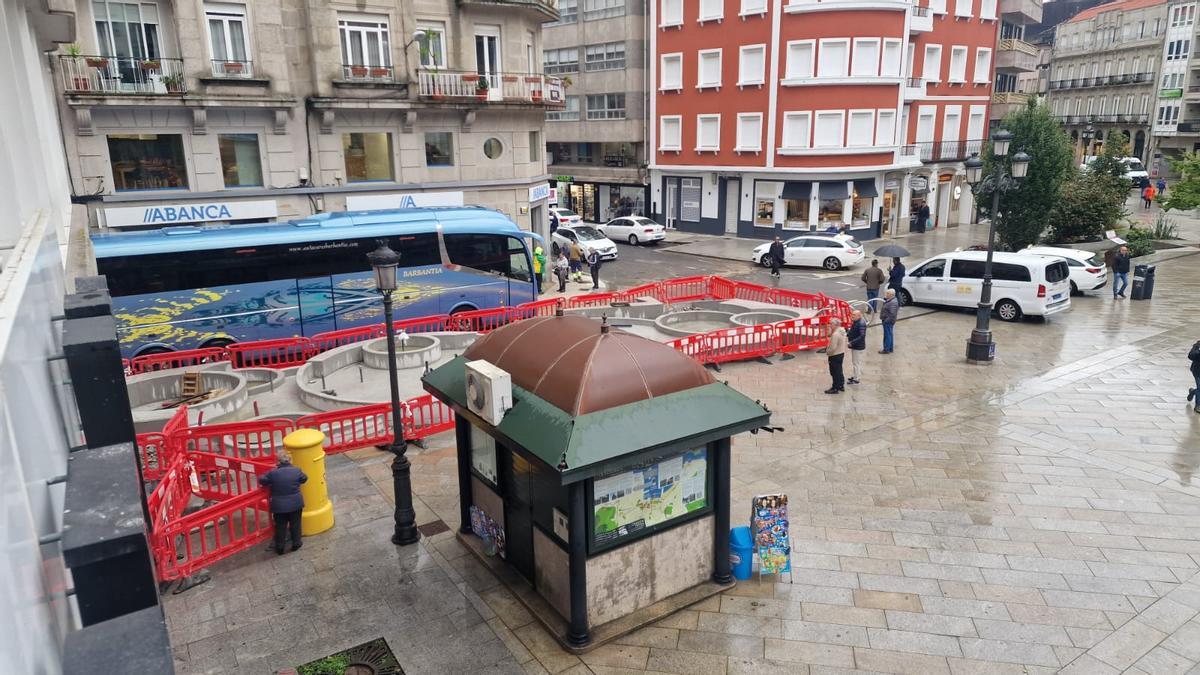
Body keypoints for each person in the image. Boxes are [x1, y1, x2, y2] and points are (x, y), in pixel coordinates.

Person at [258, 450, 308, 555]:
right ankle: (296, 543)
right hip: (295, 503)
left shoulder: (273, 473)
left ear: (278, 461)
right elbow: (304, 478)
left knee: (280, 526)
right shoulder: (296, 470)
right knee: (295, 524)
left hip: (279, 506)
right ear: (289, 460)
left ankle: (280, 547)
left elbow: (262, 479)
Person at [825, 318, 846, 394]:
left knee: (834, 372)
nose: (830, 325)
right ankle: (841, 385)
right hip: (841, 353)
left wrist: (828, 351)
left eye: (831, 324)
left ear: (835, 325)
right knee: (839, 370)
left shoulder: (835, 334)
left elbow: (833, 347)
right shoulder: (842, 331)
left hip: (835, 355)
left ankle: (835, 388)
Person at [846, 310, 867, 385]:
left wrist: (851, 342)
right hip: (856, 345)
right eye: (852, 314)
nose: (852, 316)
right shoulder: (856, 322)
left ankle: (856, 379)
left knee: (856, 363)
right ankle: (855, 376)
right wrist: (848, 334)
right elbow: (852, 331)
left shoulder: (861, 323)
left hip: (857, 346)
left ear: (859, 316)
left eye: (854, 315)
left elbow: (862, 336)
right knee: (855, 362)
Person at [879, 289, 899, 354]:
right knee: (889, 334)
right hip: (888, 321)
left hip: (888, 321)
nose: (886, 294)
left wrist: (886, 321)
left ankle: (886, 349)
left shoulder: (892, 302)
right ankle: (890, 348)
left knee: (887, 335)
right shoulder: (891, 300)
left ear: (891, 295)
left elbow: (892, 314)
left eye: (887, 293)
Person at [1189, 340, 1200, 413]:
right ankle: (1198, 406)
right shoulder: (1197, 346)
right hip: (1198, 371)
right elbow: (1190, 355)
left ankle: (1193, 391)